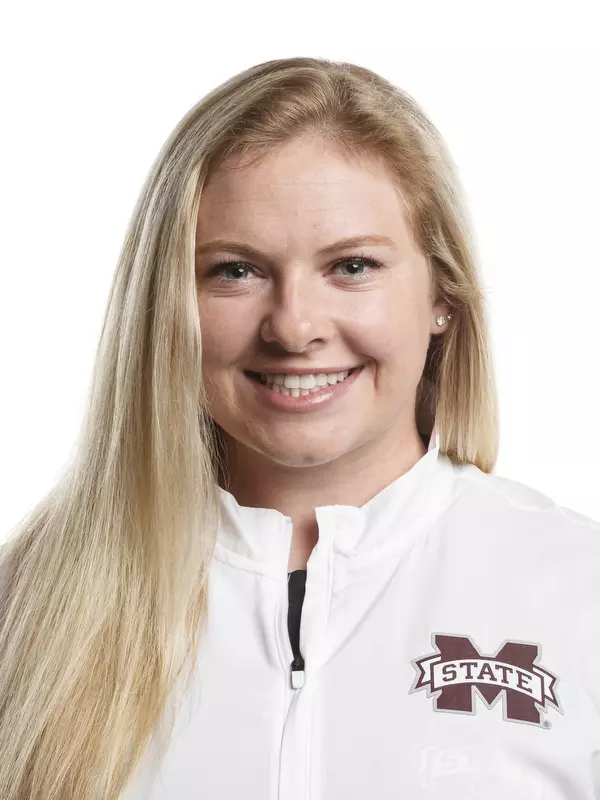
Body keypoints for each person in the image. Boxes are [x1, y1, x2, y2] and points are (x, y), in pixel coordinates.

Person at [0, 56, 599, 800]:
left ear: (443, 294)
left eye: (351, 266)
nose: (295, 327)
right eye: (234, 271)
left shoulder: (578, 589)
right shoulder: (26, 605)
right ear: (166, 305)